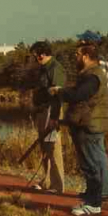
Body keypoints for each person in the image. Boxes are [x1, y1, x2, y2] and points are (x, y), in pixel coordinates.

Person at [50, 41, 108, 216]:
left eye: (77, 55)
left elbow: (79, 95)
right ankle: (92, 198)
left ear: (85, 56)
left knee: (91, 165)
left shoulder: (93, 76)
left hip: (88, 126)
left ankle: (94, 203)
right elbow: (79, 93)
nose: (75, 57)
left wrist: (59, 92)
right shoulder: (91, 74)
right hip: (87, 124)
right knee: (90, 164)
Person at [77, 32, 108, 201]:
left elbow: (94, 91)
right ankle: (96, 189)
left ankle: (103, 190)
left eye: (82, 42)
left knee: (96, 155)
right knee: (96, 154)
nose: (79, 44)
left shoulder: (97, 64)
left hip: (94, 115)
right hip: (97, 114)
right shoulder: (101, 61)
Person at [29, 41, 66, 194]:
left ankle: (57, 186)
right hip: (43, 110)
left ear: (41, 54)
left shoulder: (55, 68)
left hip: (52, 111)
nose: (34, 58)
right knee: (45, 148)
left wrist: (55, 117)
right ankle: (47, 181)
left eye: (34, 55)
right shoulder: (44, 68)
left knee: (53, 147)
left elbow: (57, 94)